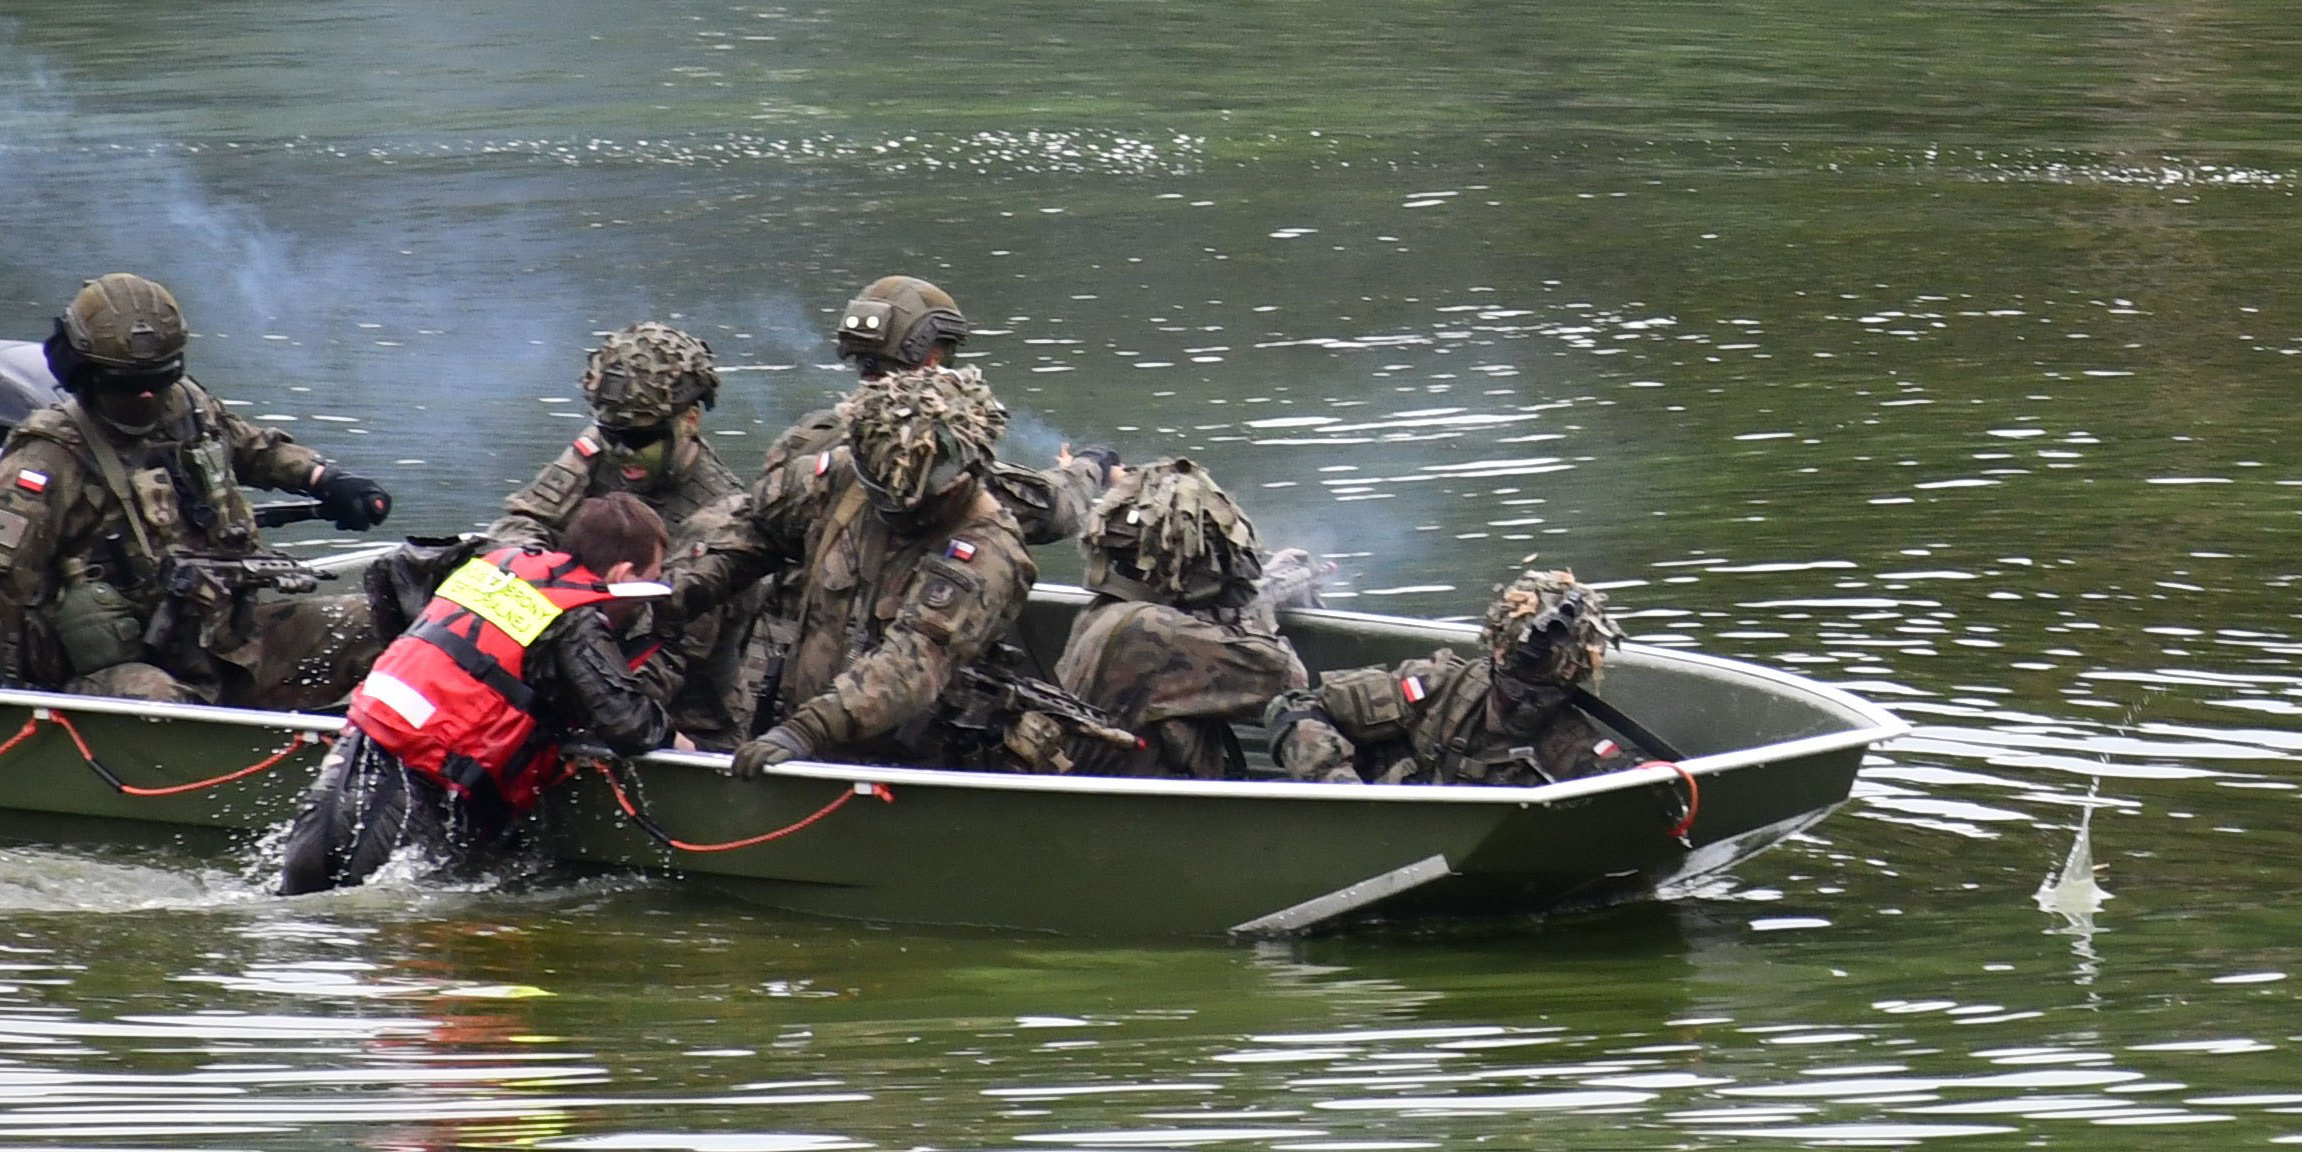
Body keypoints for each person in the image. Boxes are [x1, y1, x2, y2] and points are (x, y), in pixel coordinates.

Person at [0, 271, 397, 710]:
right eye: (130, 386)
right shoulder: (51, 457)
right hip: (118, 669)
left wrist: (325, 480)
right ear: (87, 375)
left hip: (224, 640)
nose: (149, 398)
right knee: (162, 703)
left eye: (160, 381)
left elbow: (253, 447)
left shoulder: (186, 406)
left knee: (385, 627)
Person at [271, 491, 676, 892]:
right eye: (654, 579)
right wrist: (673, 736)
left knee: (301, 893)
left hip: (355, 752)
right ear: (623, 576)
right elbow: (628, 725)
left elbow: (389, 570)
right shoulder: (576, 617)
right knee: (379, 912)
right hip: (422, 789)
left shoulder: (494, 565)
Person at [679, 365, 1042, 772]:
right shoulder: (849, 478)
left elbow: (913, 661)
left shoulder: (986, 549)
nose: (890, 511)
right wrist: (686, 590)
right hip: (802, 743)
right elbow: (755, 525)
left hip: (912, 769)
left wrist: (808, 729)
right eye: (879, 494)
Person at [753, 269, 1096, 544]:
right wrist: (1092, 464)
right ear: (931, 360)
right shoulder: (929, 458)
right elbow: (1048, 510)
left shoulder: (806, 440)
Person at [1026, 455, 1309, 775]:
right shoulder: (1152, 630)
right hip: (1136, 816)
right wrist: (1258, 605)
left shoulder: (1101, 614)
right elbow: (1286, 678)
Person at [1277, 566, 1656, 787]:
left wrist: (1638, 778)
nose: (1528, 705)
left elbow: (1621, 782)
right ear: (1499, 656)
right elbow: (1294, 709)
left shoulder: (1567, 740)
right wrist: (1342, 788)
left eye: (1548, 694)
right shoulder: (1434, 689)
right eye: (1519, 687)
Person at [487, 320, 745, 574]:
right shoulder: (597, 448)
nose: (621, 450)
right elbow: (523, 524)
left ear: (690, 420)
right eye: (610, 432)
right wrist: (535, 564)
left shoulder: (722, 509)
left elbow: (682, 600)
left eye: (640, 438)